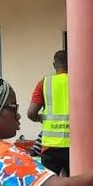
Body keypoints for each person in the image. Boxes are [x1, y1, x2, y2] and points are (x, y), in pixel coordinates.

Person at [27, 50, 70, 178]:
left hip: (50, 147)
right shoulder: (79, 81)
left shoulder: (44, 83)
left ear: (54, 65)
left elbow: (31, 113)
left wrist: (42, 118)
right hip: (75, 146)